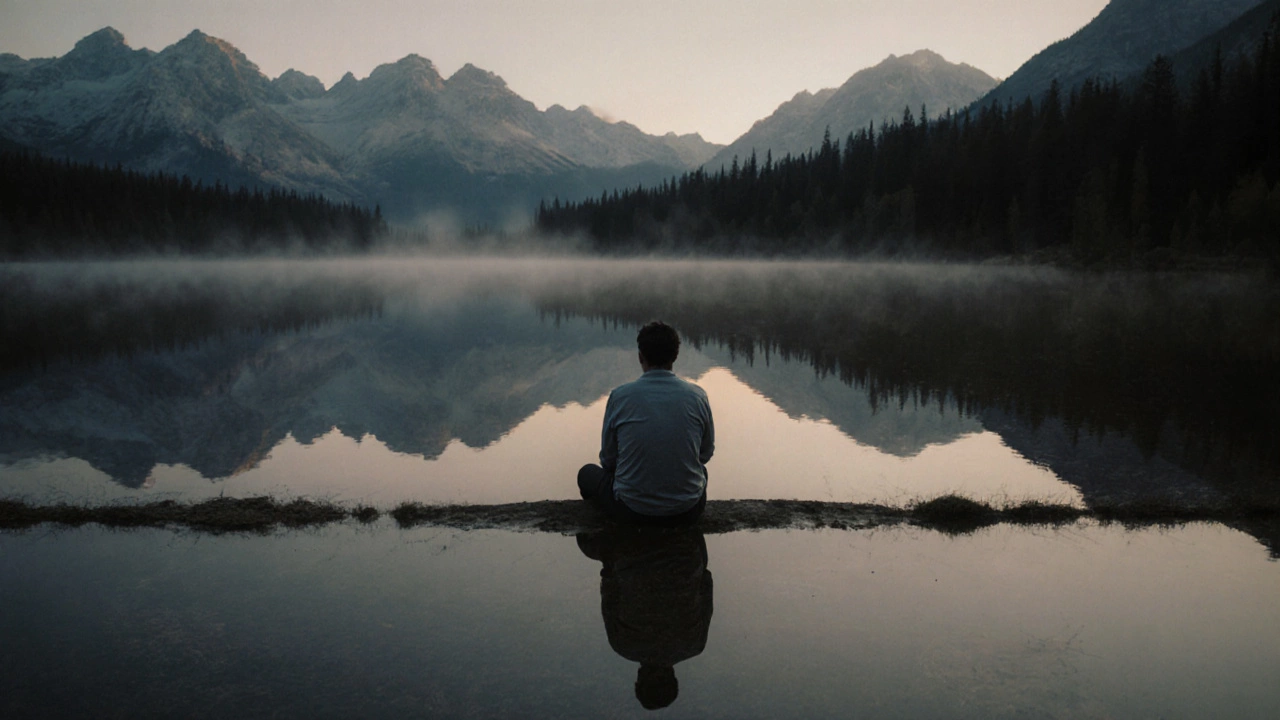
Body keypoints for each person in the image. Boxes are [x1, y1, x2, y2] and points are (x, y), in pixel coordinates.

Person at [578, 321, 714, 526]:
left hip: (631, 510)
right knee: (701, 472)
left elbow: (608, 460)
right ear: (675, 356)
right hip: (688, 510)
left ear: (640, 356)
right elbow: (705, 454)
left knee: (586, 473)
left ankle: (609, 539)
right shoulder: (697, 396)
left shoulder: (620, 396)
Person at [576, 526, 714, 710]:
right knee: (586, 541)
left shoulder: (695, 645)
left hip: (685, 545)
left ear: (673, 677)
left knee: (697, 565)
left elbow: (706, 585)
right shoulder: (622, 646)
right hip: (628, 545)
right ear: (639, 679)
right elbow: (609, 589)